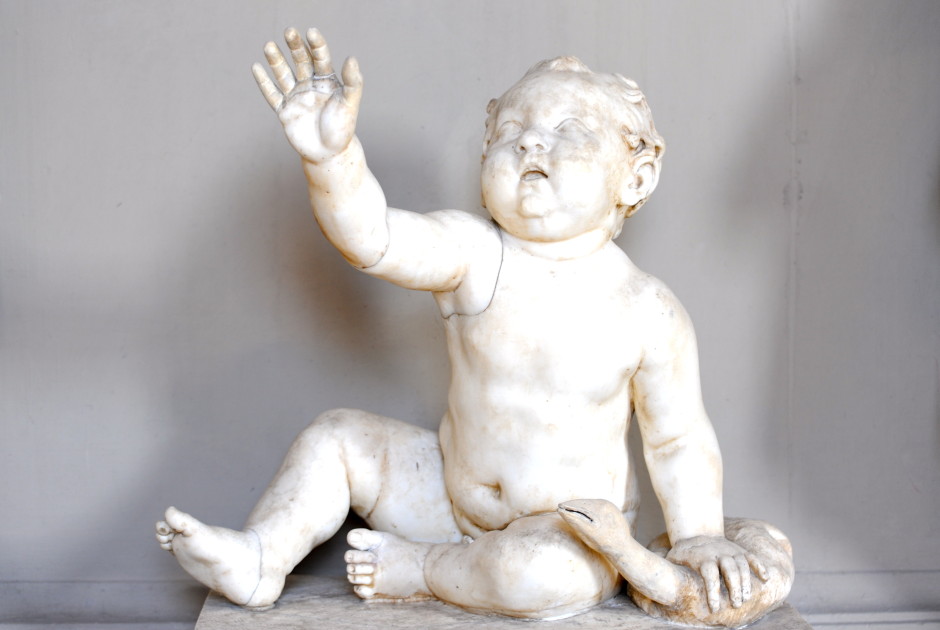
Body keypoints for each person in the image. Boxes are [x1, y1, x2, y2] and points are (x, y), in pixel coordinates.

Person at [157, 27, 768, 619]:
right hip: (446, 501)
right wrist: (331, 159)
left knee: (537, 574)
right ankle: (262, 557)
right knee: (336, 437)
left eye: (568, 130)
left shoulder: (647, 308)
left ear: (635, 175)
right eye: (510, 132)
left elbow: (678, 440)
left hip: (566, 535)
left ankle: (422, 569)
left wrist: (697, 537)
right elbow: (374, 239)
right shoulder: (476, 254)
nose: (531, 143)